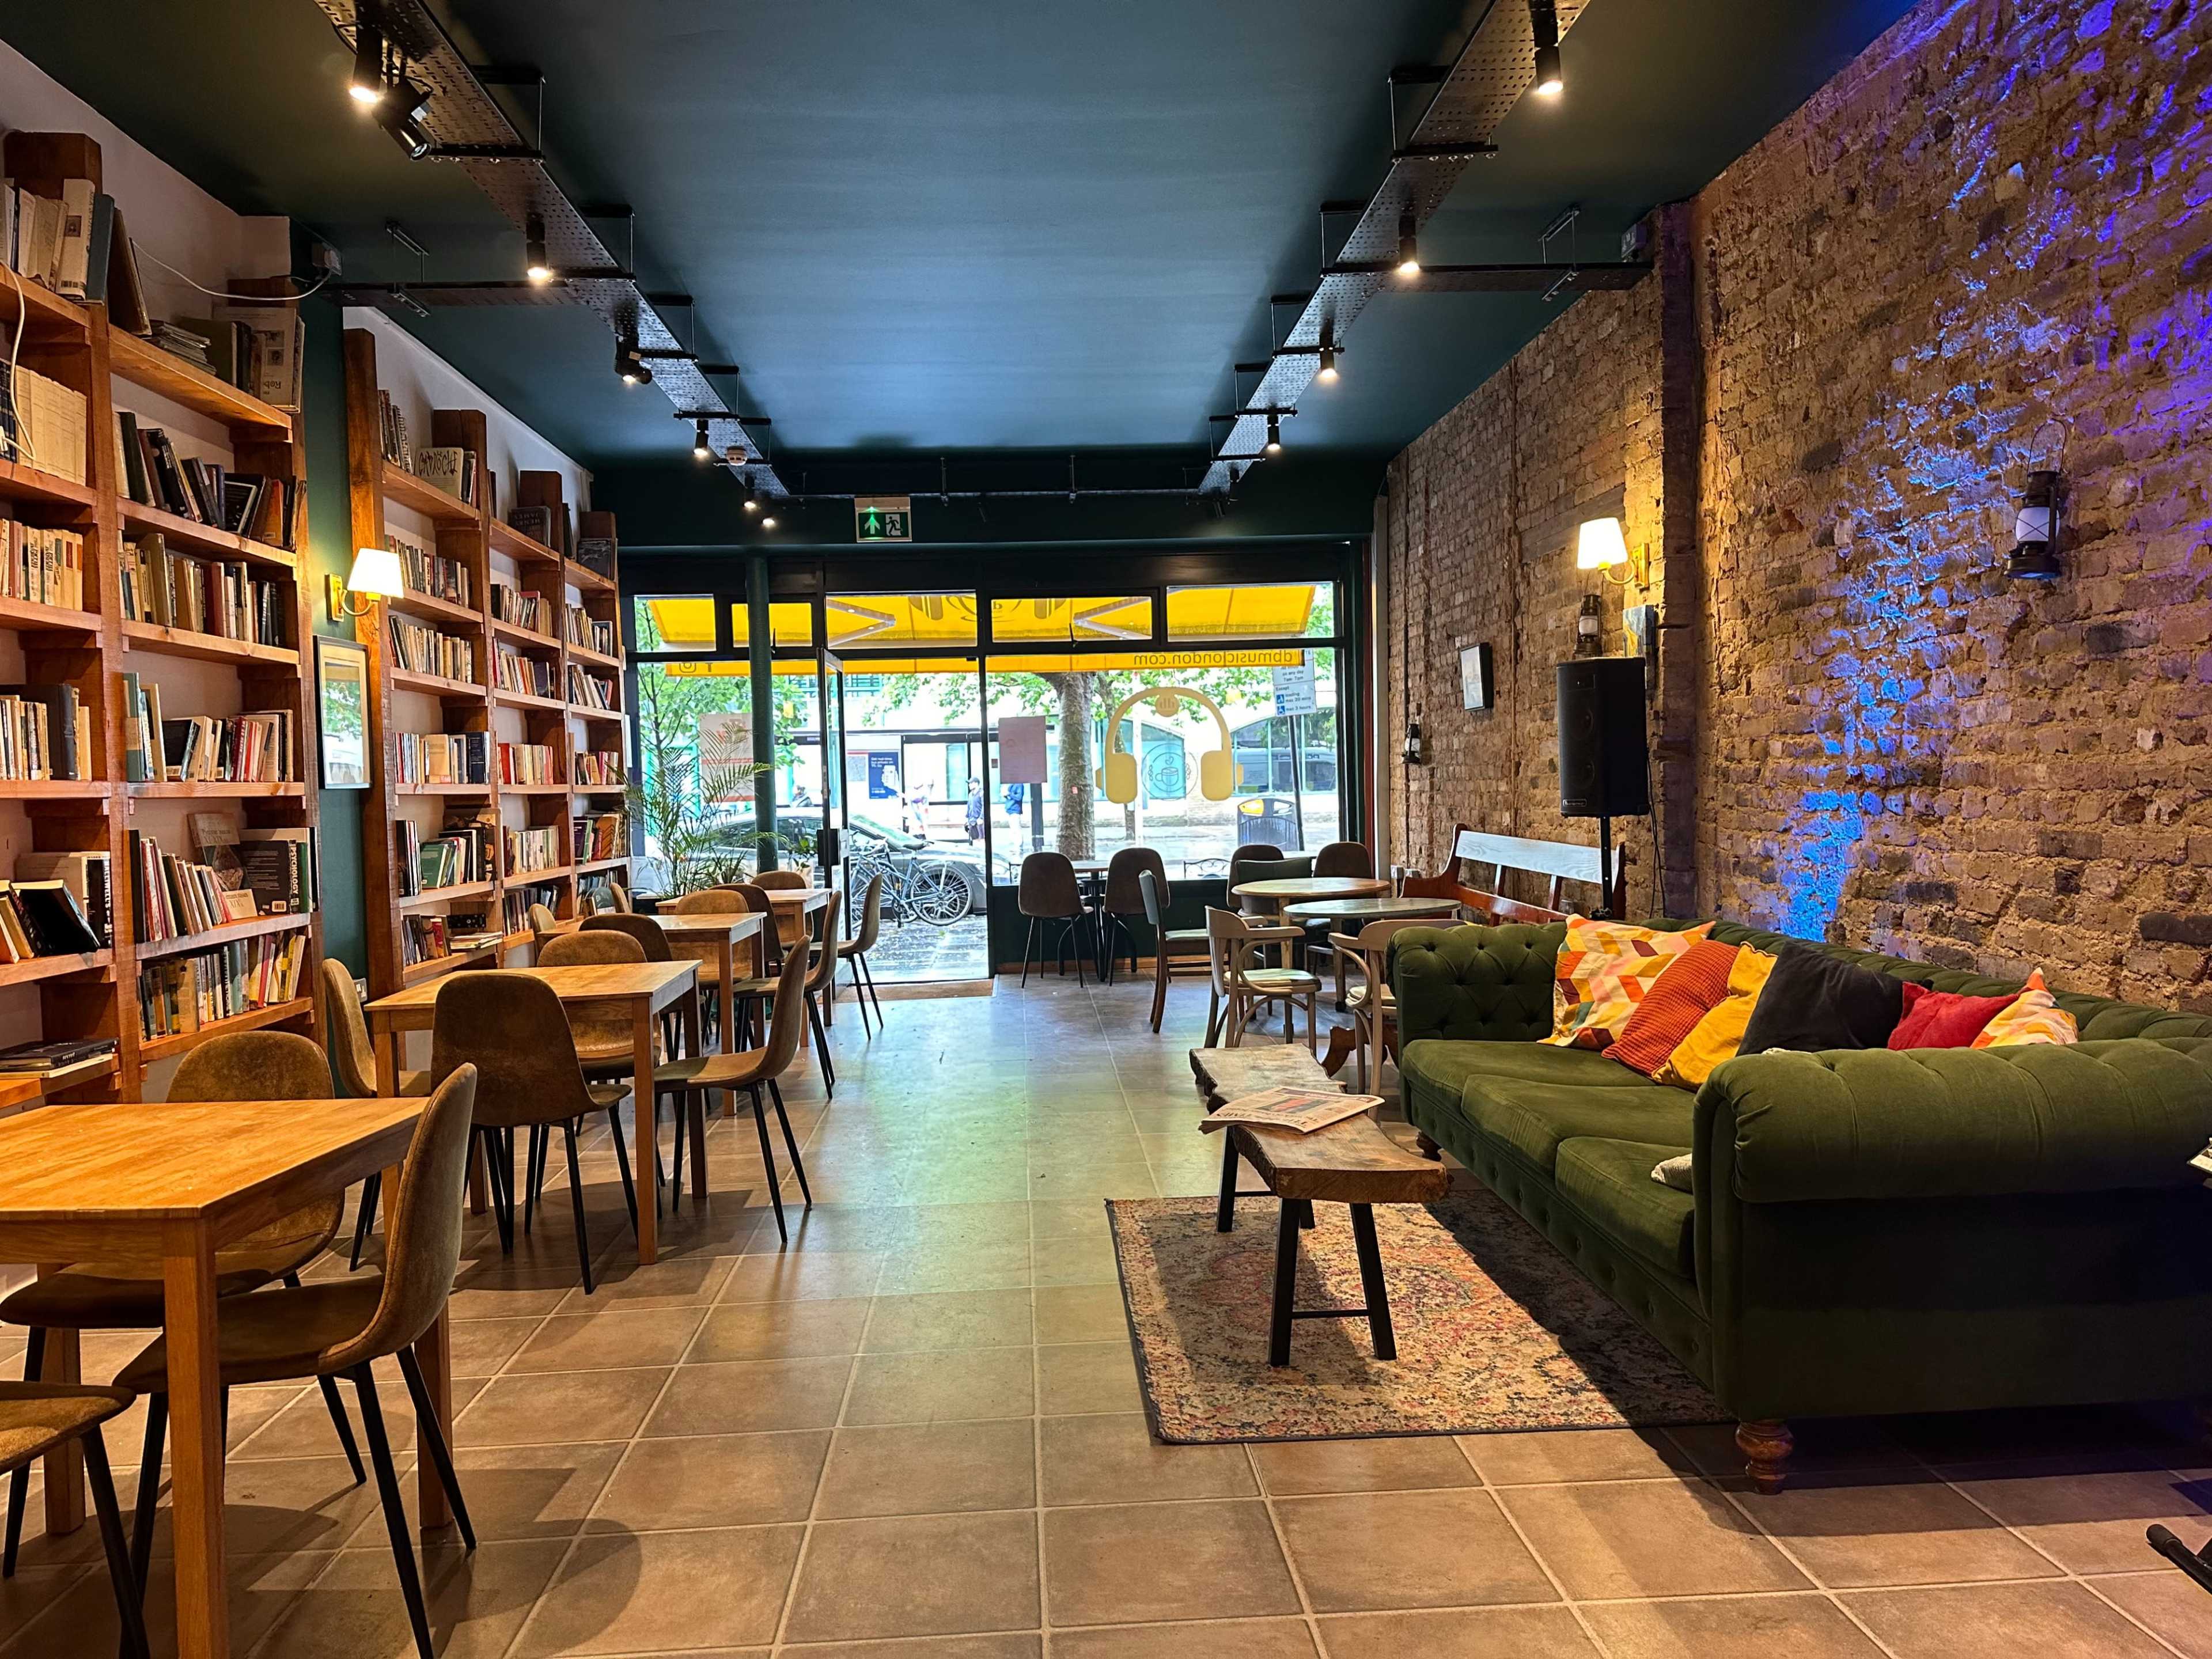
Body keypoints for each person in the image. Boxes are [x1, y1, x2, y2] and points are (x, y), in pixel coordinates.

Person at [965, 778, 985, 843]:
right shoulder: (970, 794)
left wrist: (981, 818)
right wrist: (967, 818)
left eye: (971, 783)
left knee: (982, 839)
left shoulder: (981, 793)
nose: (969, 785)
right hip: (972, 820)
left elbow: (984, 806)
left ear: (976, 784)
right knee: (974, 840)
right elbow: (969, 806)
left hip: (979, 820)